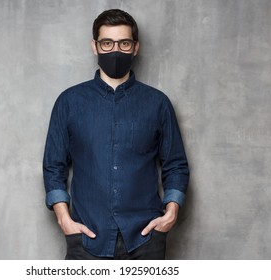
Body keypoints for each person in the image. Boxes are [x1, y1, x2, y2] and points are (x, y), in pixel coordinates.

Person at [43, 9, 189, 260]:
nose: (115, 50)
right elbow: (53, 167)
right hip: (87, 238)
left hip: (146, 240)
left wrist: (171, 213)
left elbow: (175, 165)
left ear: (135, 47)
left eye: (124, 43)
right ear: (95, 46)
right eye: (107, 43)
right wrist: (64, 219)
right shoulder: (69, 102)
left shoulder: (157, 103)